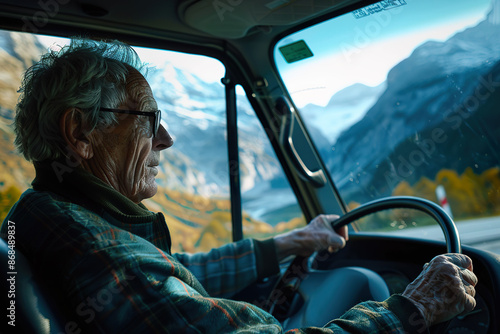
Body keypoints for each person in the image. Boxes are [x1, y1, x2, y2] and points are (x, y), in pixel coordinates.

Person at [1, 38, 477, 333]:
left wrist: (291, 242)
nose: (166, 139)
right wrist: (410, 309)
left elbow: (173, 270)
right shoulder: (102, 257)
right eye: (149, 119)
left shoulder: (52, 212)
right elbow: (146, 279)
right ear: (80, 134)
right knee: (363, 284)